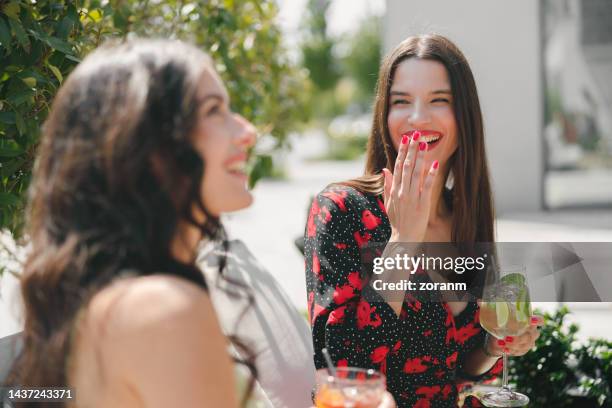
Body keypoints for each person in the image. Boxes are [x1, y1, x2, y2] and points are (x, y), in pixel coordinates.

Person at [6, 38, 259, 408]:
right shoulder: (165, 310)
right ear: (148, 149)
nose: (247, 131)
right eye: (214, 110)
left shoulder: (98, 300)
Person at [304, 34, 542, 408]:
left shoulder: (463, 215)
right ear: (385, 114)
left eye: (439, 100)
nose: (417, 117)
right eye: (401, 101)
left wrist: (491, 347)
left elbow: (456, 371)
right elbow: (340, 368)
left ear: (464, 117)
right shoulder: (341, 209)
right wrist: (402, 239)